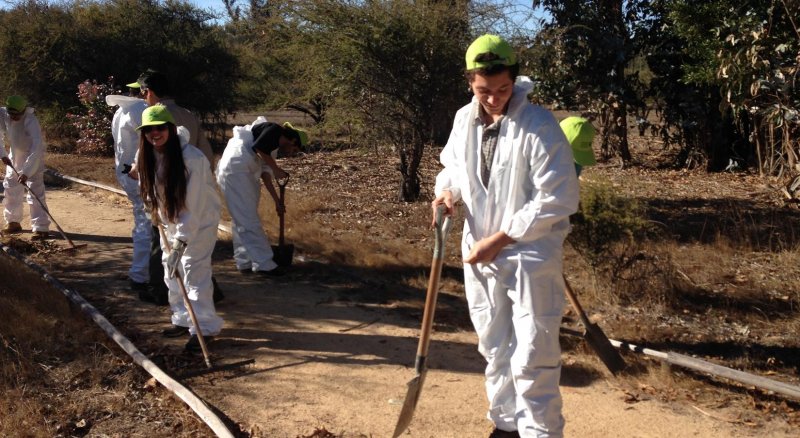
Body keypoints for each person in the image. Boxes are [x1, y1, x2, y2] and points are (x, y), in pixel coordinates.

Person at [431, 35, 580, 438]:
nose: (493, 99)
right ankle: (506, 423)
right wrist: (446, 193)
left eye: (502, 89)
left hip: (529, 255)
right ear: (470, 83)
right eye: (483, 91)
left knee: (534, 351)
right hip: (480, 251)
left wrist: (503, 237)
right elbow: (453, 167)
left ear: (514, 79)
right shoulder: (465, 119)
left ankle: (539, 431)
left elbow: (559, 197)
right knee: (494, 346)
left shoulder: (538, 126)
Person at [136, 104, 223, 352]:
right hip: (170, 222)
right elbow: (148, 186)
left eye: (160, 128)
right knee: (170, 271)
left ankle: (205, 328)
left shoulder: (192, 159)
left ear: (171, 129)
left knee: (193, 271)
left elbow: (193, 207)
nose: (155, 133)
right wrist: (151, 207)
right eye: (149, 129)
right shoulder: (148, 153)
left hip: (198, 222)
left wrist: (181, 242)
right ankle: (184, 319)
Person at [216, 117, 306, 276]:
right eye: (294, 149)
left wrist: (277, 201)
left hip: (247, 172)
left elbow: (266, 175)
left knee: (242, 219)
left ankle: (244, 261)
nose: (291, 153)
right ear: (292, 139)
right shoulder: (274, 129)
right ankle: (264, 263)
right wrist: (276, 169)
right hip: (236, 170)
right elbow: (259, 148)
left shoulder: (272, 149)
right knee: (247, 219)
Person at [107, 91, 168, 302]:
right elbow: (147, 142)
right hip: (138, 174)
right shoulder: (139, 111)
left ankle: (143, 272)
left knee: (142, 222)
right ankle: (141, 274)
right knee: (146, 225)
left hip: (128, 173)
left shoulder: (121, 111)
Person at [127, 70, 214, 167]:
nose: (142, 98)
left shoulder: (152, 119)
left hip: (167, 177)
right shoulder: (189, 114)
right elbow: (206, 152)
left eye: (142, 93)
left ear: (149, 92)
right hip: (191, 175)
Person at [0, 95, 51, 240]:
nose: (15, 117)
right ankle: (13, 222)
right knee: (11, 188)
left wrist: (27, 172)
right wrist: (2, 154)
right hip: (14, 155)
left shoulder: (30, 120)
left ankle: (41, 227)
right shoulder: (3, 115)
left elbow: (36, 148)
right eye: (12, 114)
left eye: (18, 114)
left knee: (35, 191)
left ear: (24, 111)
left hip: (33, 156)